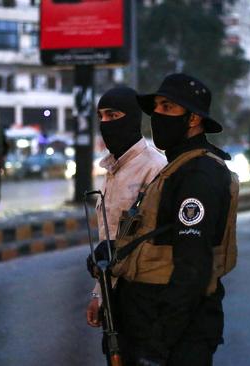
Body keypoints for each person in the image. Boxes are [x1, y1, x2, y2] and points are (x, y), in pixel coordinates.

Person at [110, 73, 239, 366]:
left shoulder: (199, 175)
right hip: (150, 325)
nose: (157, 115)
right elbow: (162, 236)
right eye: (156, 107)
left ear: (193, 119)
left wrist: (158, 346)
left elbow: (192, 268)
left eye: (168, 108)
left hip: (176, 339)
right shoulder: (177, 167)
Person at [85, 87, 167, 345]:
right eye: (101, 117)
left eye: (112, 115)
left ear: (132, 117)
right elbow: (109, 241)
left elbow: (156, 239)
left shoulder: (155, 167)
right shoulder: (112, 170)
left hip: (146, 297)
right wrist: (99, 295)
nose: (105, 123)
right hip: (114, 297)